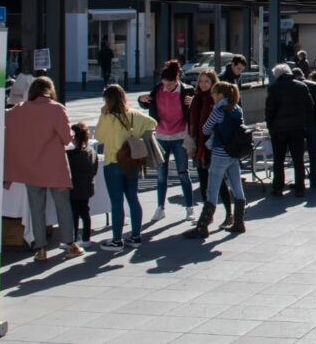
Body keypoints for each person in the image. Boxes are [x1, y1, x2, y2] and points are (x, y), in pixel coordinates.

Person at [5, 77, 83, 261]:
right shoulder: (56, 109)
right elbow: (66, 138)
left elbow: (5, 119)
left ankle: (40, 249)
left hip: (31, 167)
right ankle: (70, 245)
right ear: (50, 90)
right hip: (54, 167)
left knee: (36, 209)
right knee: (63, 207)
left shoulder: (20, 109)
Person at [95, 84, 157, 250]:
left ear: (107, 100)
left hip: (113, 163)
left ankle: (117, 240)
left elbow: (98, 137)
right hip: (132, 162)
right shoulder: (134, 115)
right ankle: (136, 236)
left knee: (117, 202)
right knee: (133, 198)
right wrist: (135, 136)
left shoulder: (108, 118)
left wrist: (103, 115)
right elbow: (152, 123)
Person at [186, 81, 248, 237]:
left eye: (214, 93)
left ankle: (202, 226)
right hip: (234, 153)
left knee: (212, 189)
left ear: (220, 95)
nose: (212, 96)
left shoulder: (218, 110)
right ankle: (239, 222)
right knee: (236, 186)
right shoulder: (237, 109)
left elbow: (206, 128)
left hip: (220, 154)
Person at [138, 61, 195, 223]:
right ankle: (160, 208)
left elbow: (196, 107)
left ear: (176, 80)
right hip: (161, 136)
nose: (167, 87)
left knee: (183, 173)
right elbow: (146, 102)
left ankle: (190, 208)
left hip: (180, 136)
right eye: (164, 84)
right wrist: (141, 99)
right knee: (161, 175)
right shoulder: (157, 90)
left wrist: (194, 102)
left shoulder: (186, 91)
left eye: (170, 84)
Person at [187, 69, 232, 228]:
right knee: (204, 183)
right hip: (200, 147)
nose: (203, 84)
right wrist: (191, 144)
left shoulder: (216, 100)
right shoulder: (196, 99)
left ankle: (229, 214)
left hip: (214, 146)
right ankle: (207, 216)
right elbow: (192, 125)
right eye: (201, 81)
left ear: (214, 83)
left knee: (219, 183)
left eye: (207, 81)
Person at [265, 64, 314, 198]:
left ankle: (278, 187)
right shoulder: (301, 86)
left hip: (278, 129)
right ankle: (300, 187)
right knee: (298, 159)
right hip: (297, 128)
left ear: (278, 75)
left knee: (278, 159)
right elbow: (310, 107)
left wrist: (270, 125)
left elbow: (269, 110)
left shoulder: (274, 88)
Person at [66, 122, 98, 249]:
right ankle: (86, 237)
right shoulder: (91, 151)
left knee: (74, 213)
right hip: (87, 187)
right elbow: (94, 169)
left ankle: (73, 238)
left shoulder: (70, 155)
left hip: (74, 189)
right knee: (85, 212)